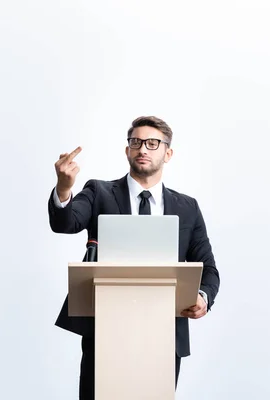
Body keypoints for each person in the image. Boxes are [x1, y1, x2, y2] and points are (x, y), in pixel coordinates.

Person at [47, 116, 220, 399]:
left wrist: (203, 297)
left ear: (168, 153)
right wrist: (64, 187)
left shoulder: (187, 207)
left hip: (163, 334)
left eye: (153, 143)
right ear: (127, 150)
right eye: (136, 142)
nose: (143, 149)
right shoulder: (99, 192)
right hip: (105, 328)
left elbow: (209, 269)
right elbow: (65, 223)